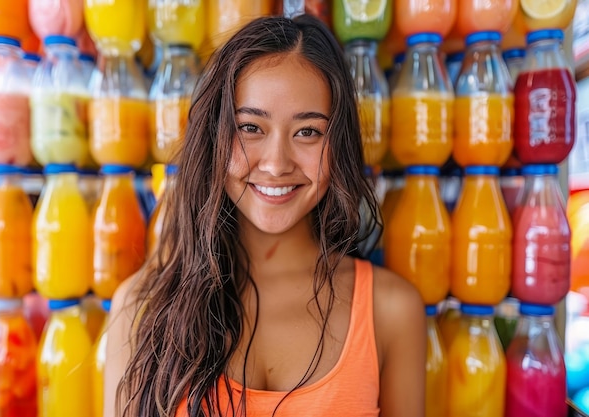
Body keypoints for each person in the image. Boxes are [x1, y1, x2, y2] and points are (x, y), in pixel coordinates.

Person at [104, 14, 426, 417]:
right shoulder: (140, 309)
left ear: (338, 145)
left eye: (308, 132)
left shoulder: (391, 311)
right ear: (214, 137)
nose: (276, 164)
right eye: (250, 127)